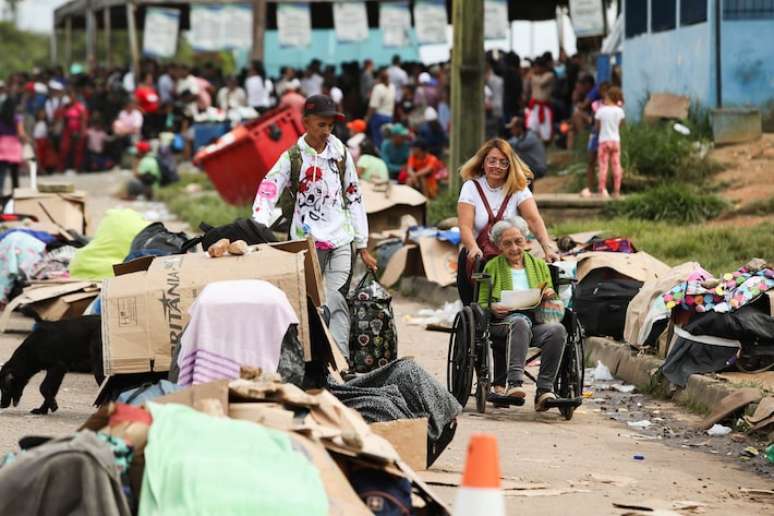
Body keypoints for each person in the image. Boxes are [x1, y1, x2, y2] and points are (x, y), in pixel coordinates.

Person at [250, 94, 377, 359]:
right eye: (321, 124)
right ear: (306, 122)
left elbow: (354, 196)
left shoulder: (340, 154)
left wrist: (362, 243)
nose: (327, 131)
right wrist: (258, 227)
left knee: (335, 300)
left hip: (341, 240)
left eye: (330, 125)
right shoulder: (293, 157)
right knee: (308, 303)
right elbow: (268, 189)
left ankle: (340, 363)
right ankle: (310, 359)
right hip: (306, 242)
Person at [456, 138, 558, 306]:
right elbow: (465, 225)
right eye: (492, 161)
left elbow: (533, 219)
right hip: (478, 256)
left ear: (510, 165)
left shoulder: (518, 187)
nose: (497, 166)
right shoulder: (471, 187)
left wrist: (547, 247)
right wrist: (472, 248)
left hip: (511, 254)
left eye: (503, 162)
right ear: (483, 163)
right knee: (477, 306)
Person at [478, 216, 566, 409]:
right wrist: (493, 307)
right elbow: (482, 302)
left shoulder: (539, 265)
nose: (514, 248)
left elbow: (552, 296)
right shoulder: (492, 267)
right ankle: (514, 384)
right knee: (519, 321)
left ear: (526, 241)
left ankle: (544, 390)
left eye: (518, 241)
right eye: (507, 243)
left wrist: (549, 294)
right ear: (499, 246)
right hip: (503, 322)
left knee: (557, 330)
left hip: (535, 322)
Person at [580, 81, 610, 197]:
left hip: (606, 136)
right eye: (602, 91)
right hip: (595, 135)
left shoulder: (615, 106)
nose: (604, 93)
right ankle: (590, 188)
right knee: (591, 161)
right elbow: (593, 121)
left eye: (606, 91)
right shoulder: (596, 105)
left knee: (603, 163)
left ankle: (603, 188)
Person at [595, 86, 625, 198]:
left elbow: (597, 127)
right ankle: (617, 191)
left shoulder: (601, 110)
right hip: (615, 141)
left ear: (608, 97)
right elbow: (621, 125)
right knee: (616, 166)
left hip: (604, 141)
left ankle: (602, 190)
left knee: (603, 166)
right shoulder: (620, 111)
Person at [0, 86, 27, 193]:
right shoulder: (17, 118)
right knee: (14, 175)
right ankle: (16, 195)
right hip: (14, 147)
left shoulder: (1, 118)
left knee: (1, 174)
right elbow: (21, 134)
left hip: (2, 145)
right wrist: (26, 140)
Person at [506, 116, 547, 180]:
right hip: (532, 167)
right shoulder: (521, 136)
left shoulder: (531, 137)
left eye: (513, 128)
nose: (511, 131)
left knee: (515, 156)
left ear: (519, 128)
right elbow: (511, 142)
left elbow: (518, 145)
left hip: (538, 169)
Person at [524, 57, 555, 142]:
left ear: (543, 67)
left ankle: (545, 145)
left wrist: (532, 76)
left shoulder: (549, 75)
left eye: (537, 67)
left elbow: (542, 83)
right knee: (531, 128)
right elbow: (527, 87)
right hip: (534, 106)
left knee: (546, 132)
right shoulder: (533, 76)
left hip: (544, 107)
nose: (535, 69)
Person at [58, 91, 88, 173]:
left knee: (78, 150)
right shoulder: (65, 107)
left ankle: (78, 168)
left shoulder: (80, 107)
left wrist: (82, 132)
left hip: (78, 131)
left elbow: (84, 120)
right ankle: (61, 168)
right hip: (67, 131)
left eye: (71, 96)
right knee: (64, 149)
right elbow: (61, 118)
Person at [366, 70, 395, 149]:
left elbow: (373, 106)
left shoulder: (378, 88)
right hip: (389, 116)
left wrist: (367, 118)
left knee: (378, 141)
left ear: (379, 78)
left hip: (379, 117)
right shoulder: (392, 87)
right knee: (388, 140)